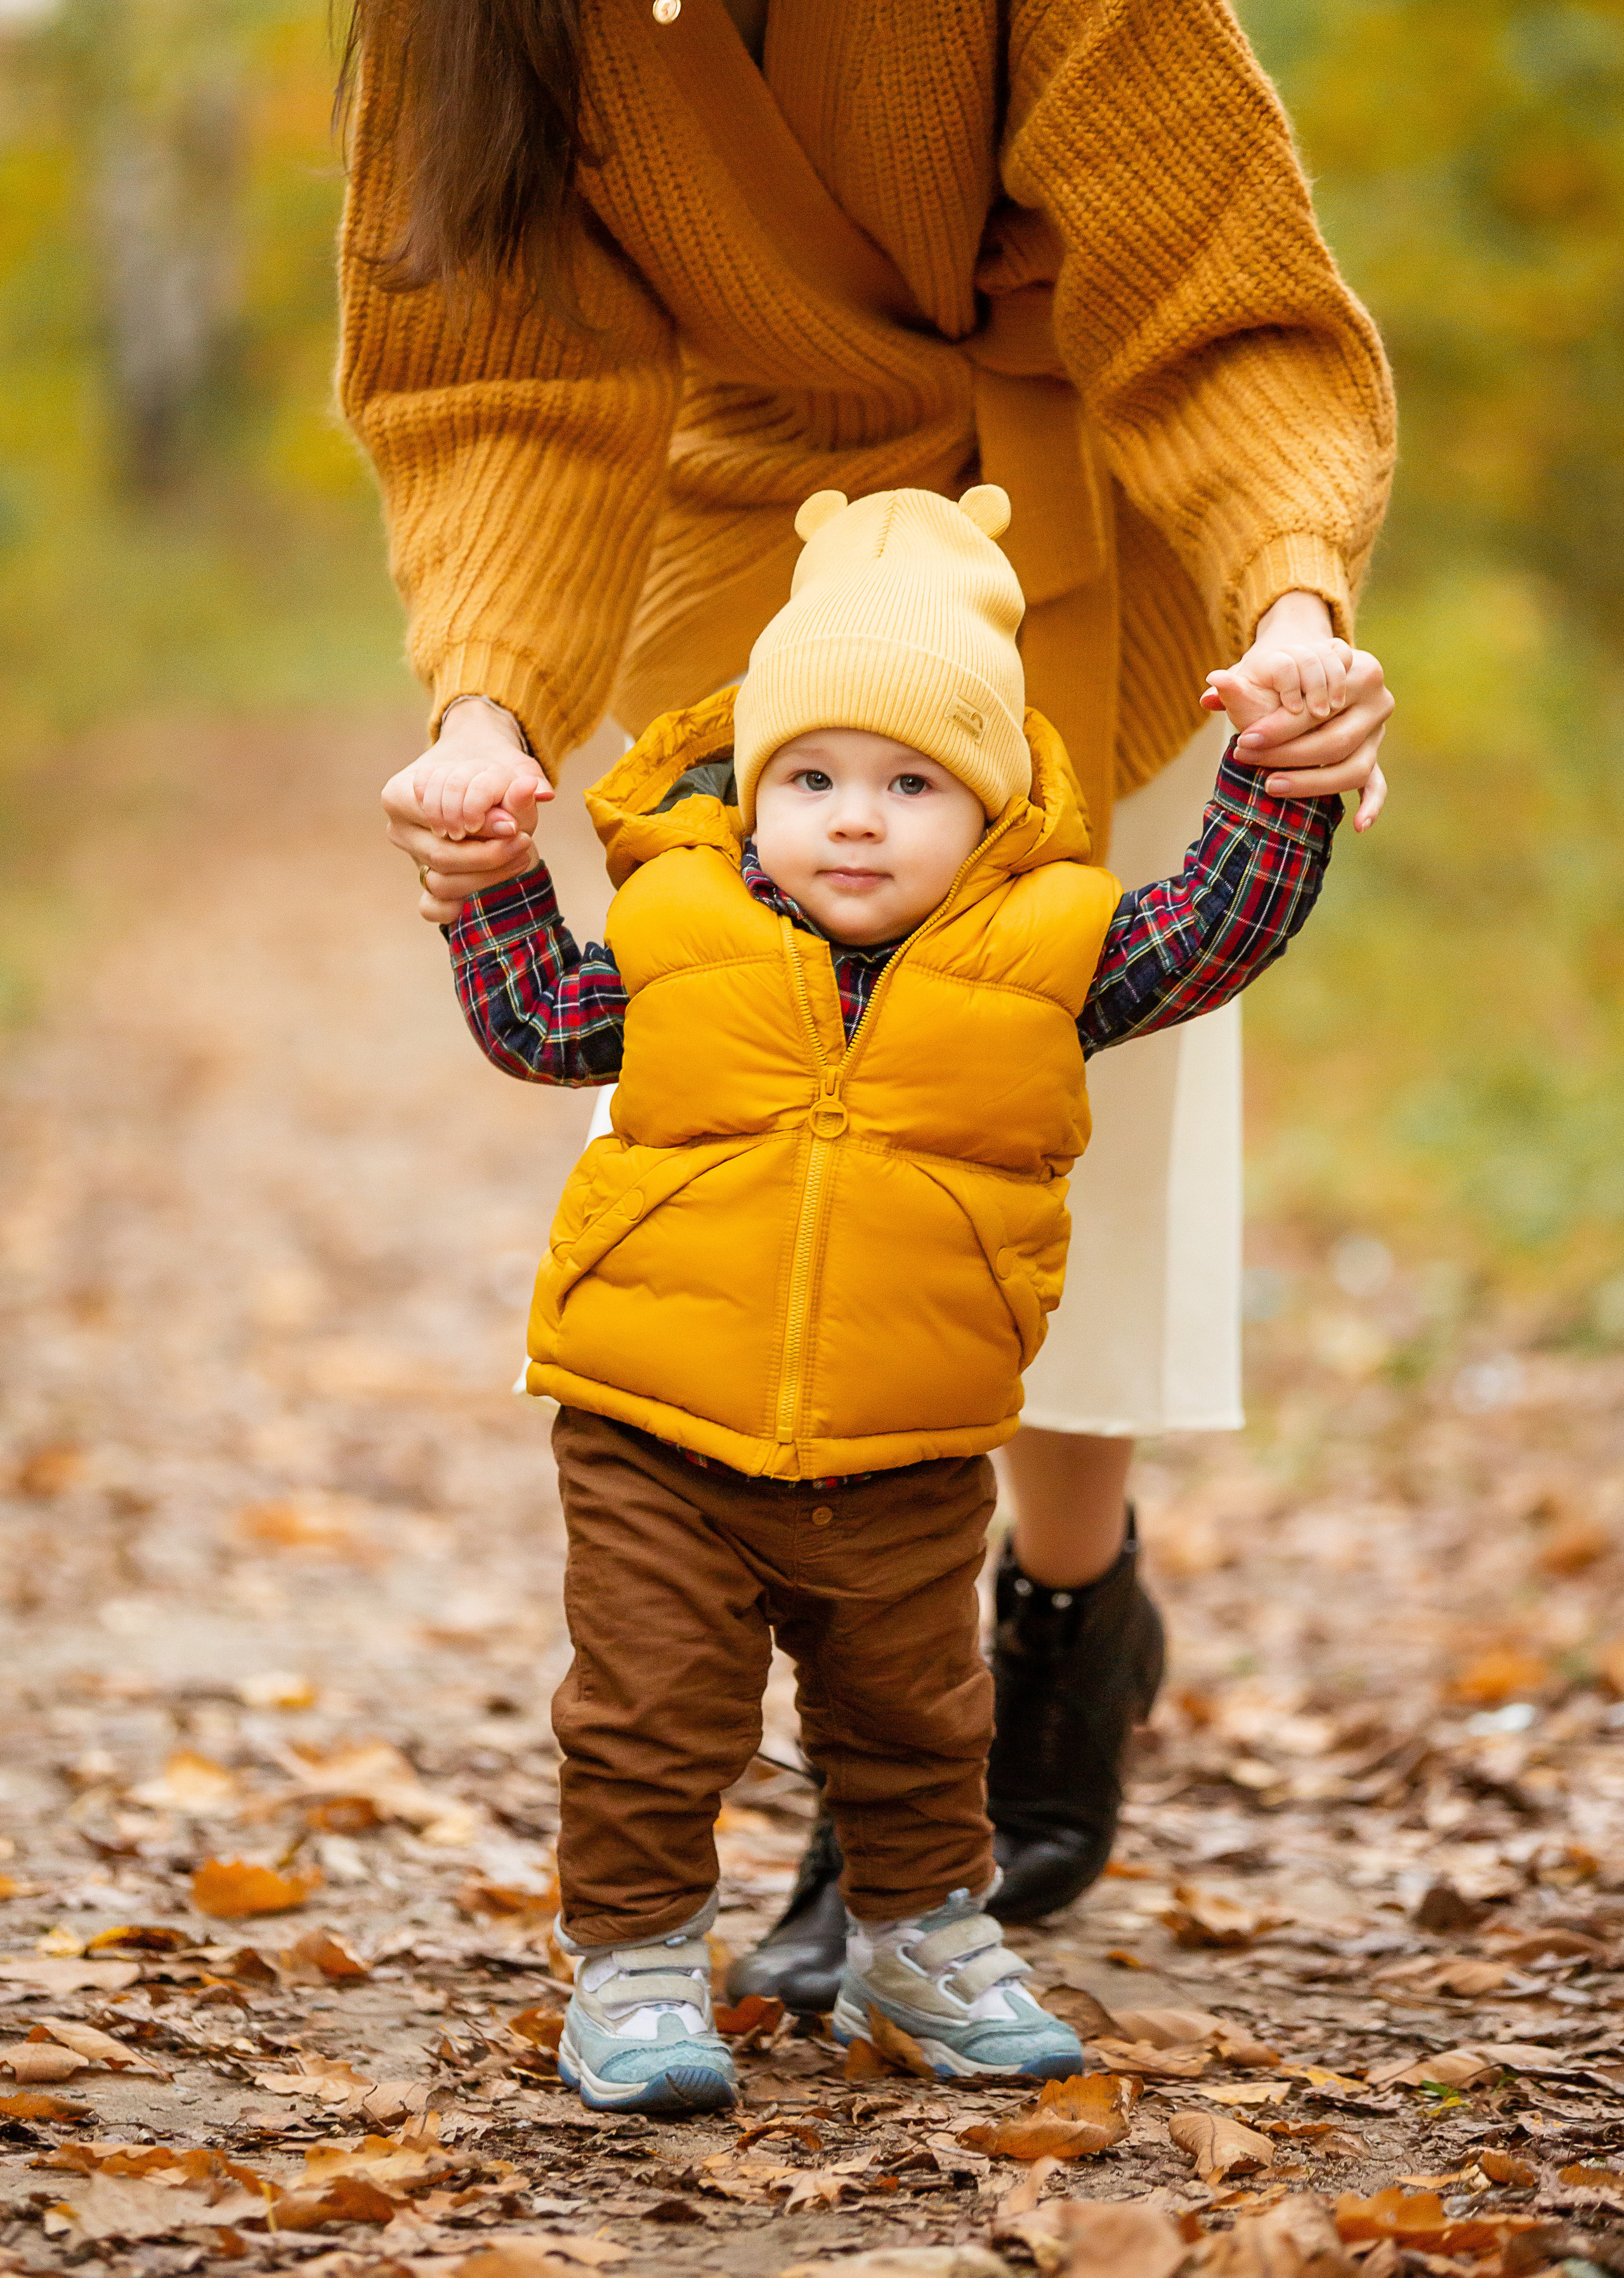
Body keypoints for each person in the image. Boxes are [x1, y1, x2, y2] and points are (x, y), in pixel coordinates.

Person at [343, 0, 1396, 2003]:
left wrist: (1290, 604)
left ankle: (1064, 1617)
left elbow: (1215, 275)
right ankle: (879, 1782)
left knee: (1076, 1122)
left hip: (1105, 528)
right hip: (763, 594)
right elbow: (496, 375)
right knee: (754, 1166)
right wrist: (490, 714)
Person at [423, 483, 1346, 2111]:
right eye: (812, 776)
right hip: (653, 1426)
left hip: (907, 1441)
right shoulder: (676, 923)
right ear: (752, 786)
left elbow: (1217, 927)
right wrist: (488, 880)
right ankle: (635, 1965)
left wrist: (1276, 773)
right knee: (646, 1714)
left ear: (987, 805)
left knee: (916, 1720)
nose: (855, 817)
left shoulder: (1049, 955)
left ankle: (918, 1944)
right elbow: (535, 1020)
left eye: (911, 782)